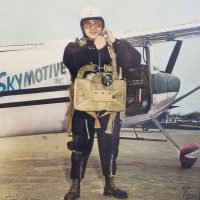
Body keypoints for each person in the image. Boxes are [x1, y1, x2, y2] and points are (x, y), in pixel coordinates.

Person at [63, 5, 141, 200]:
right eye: (88, 24)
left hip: (109, 106)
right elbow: (71, 60)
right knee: (81, 145)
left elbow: (134, 61)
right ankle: (75, 186)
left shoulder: (114, 46)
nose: (92, 27)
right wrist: (94, 47)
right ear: (82, 27)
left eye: (96, 23)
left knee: (110, 145)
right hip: (84, 106)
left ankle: (110, 184)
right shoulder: (74, 47)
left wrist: (116, 42)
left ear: (102, 26)